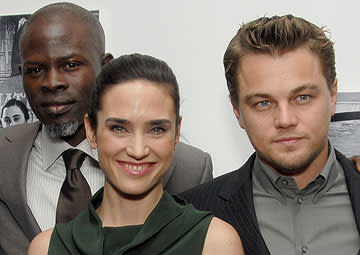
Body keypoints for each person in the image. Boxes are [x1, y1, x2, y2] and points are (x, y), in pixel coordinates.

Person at [0, 3, 212, 254]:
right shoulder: (5, 159)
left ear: (104, 66)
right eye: (35, 70)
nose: (52, 82)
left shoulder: (189, 168)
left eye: (70, 65)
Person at [27, 53, 243, 255]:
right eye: (119, 129)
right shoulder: (48, 248)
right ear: (91, 131)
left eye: (156, 129)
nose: (138, 150)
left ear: (176, 133)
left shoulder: (214, 243)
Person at [181, 15, 360, 254]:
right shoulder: (190, 216)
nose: (285, 120)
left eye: (303, 97)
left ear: (333, 95)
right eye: (263, 103)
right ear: (237, 111)